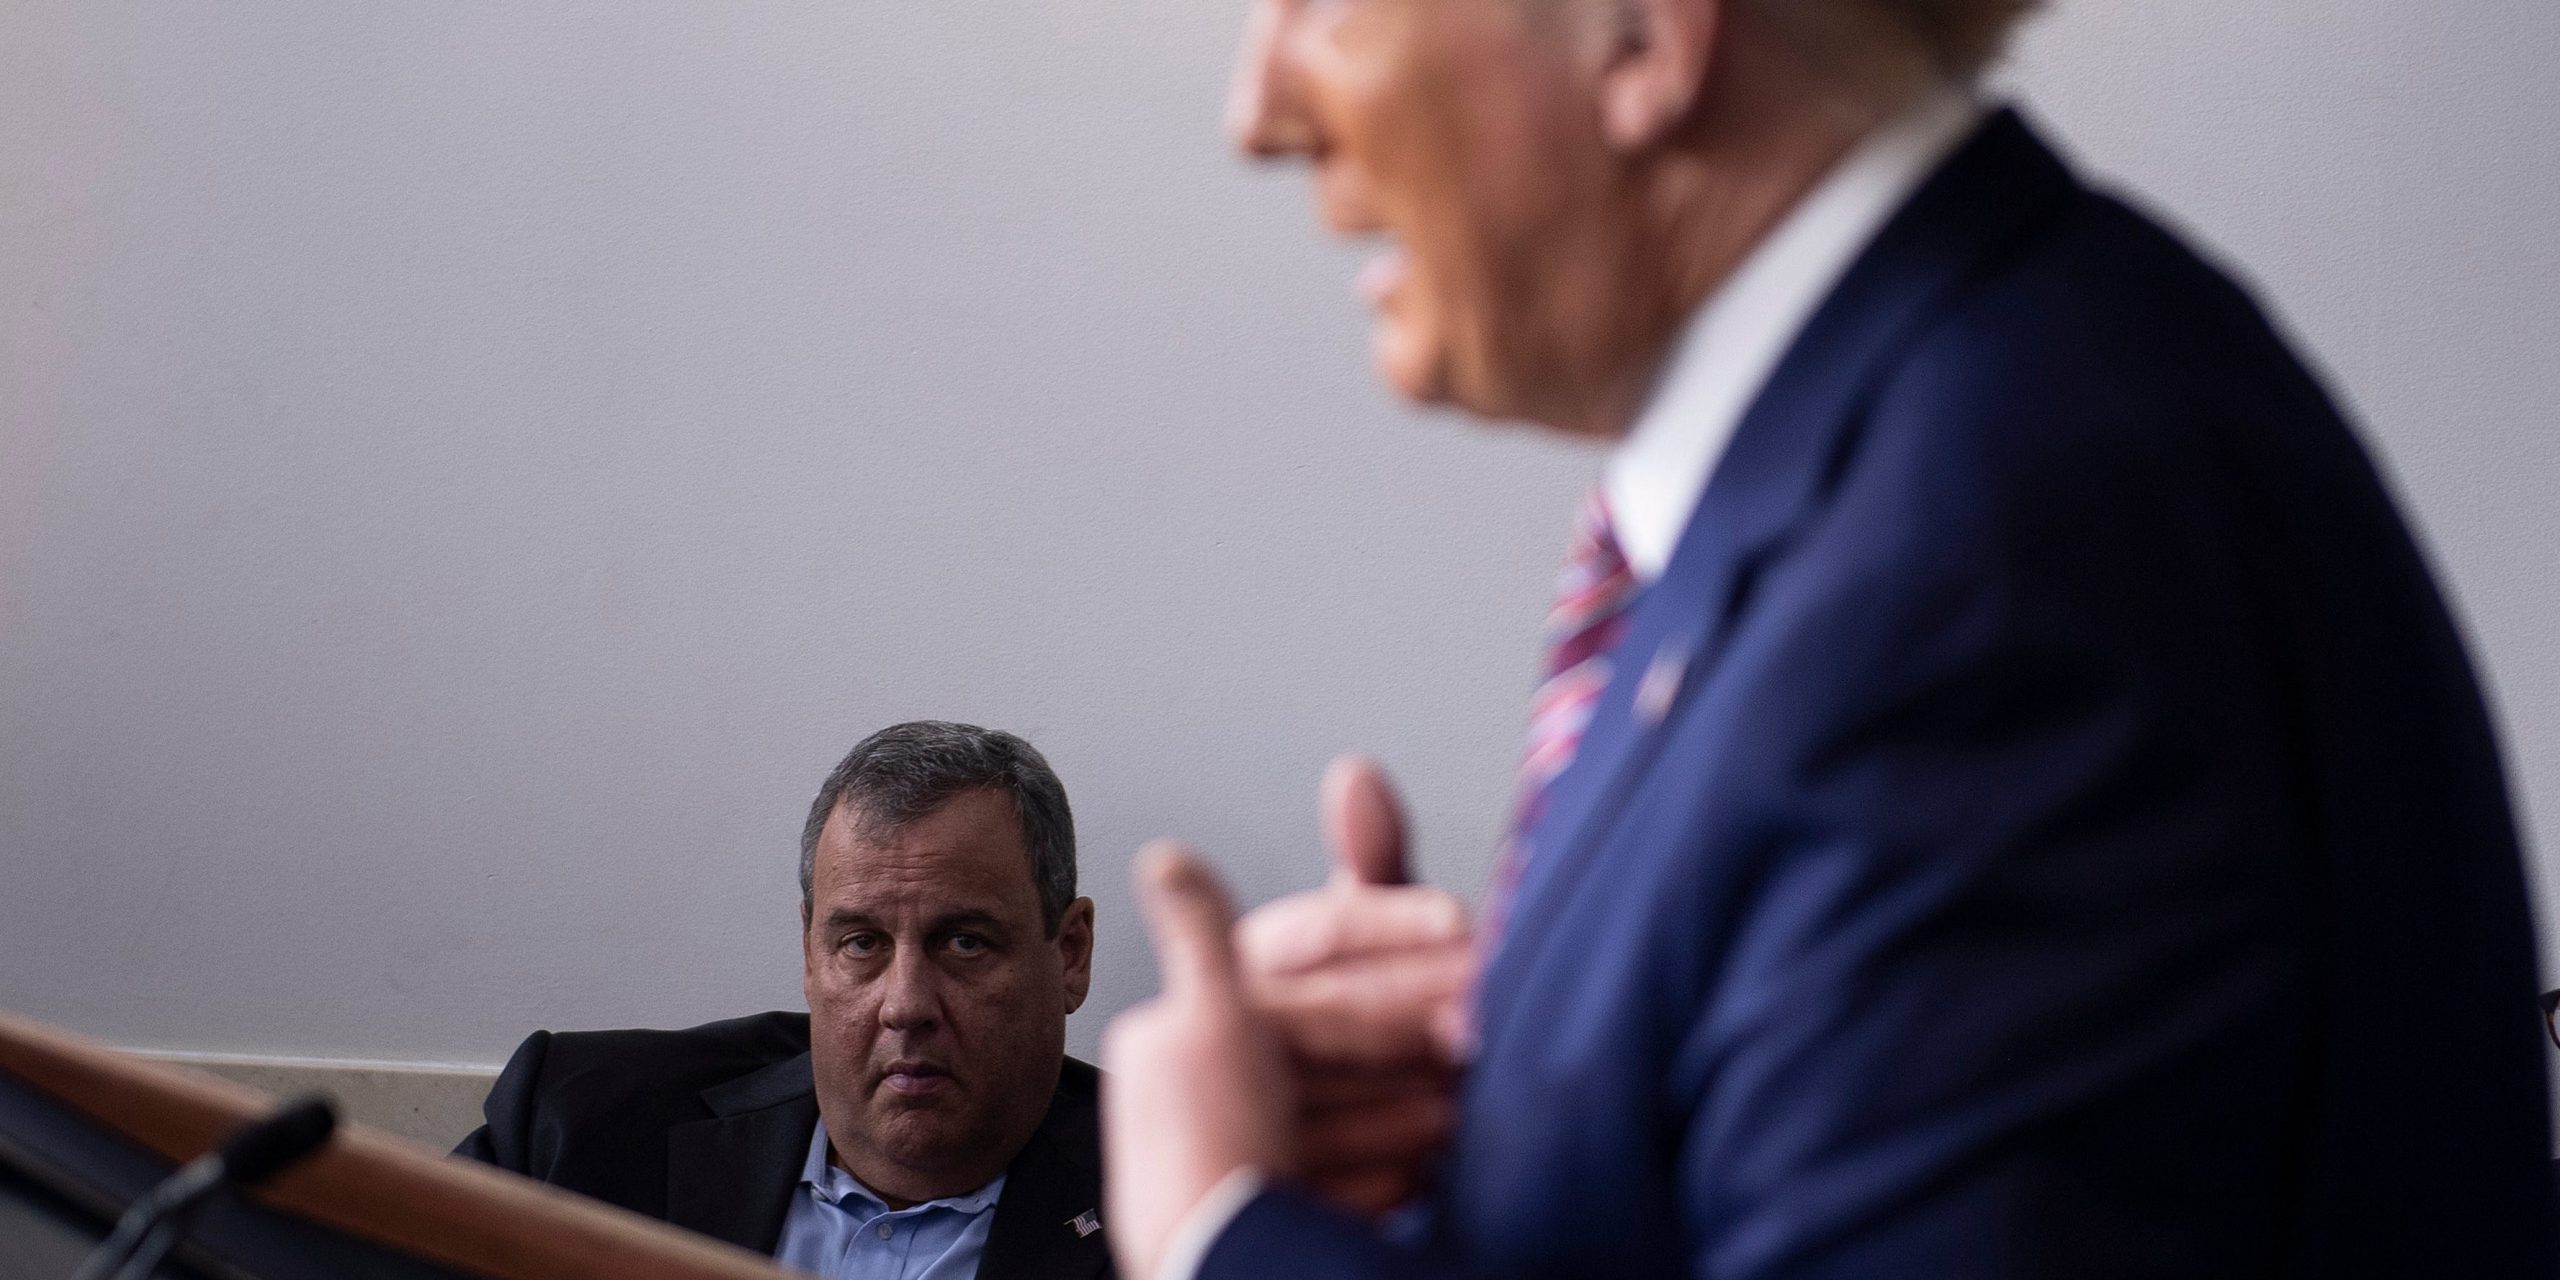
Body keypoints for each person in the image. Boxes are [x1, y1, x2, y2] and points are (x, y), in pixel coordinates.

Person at [1100, 1, 2552, 1277]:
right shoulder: (1955, 446)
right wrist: (1510, 1122)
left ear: (1646, 35)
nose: (1258, 114)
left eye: (1329, 3)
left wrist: (1223, 1234)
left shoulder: (1992, 563)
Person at [460, 722, 1114, 1280]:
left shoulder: (1180, 1206)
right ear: (809, 953)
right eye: (862, 943)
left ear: (1070, 954)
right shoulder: (576, 1129)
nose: (905, 1005)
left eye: (966, 943)